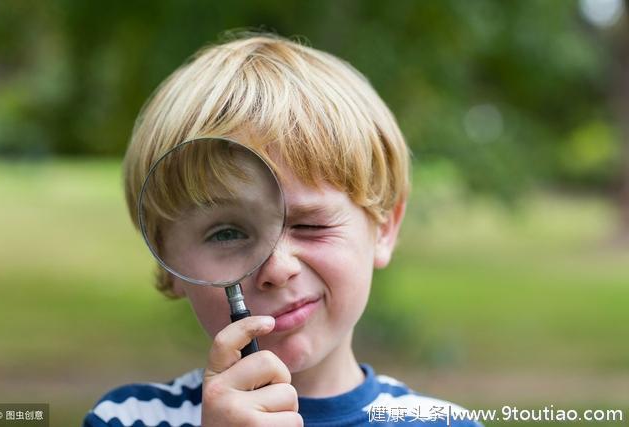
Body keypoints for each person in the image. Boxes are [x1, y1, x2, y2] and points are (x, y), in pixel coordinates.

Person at [83, 33, 483, 427]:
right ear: (167, 262)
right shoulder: (127, 419)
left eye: (310, 225)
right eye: (226, 233)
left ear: (385, 229)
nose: (277, 268)